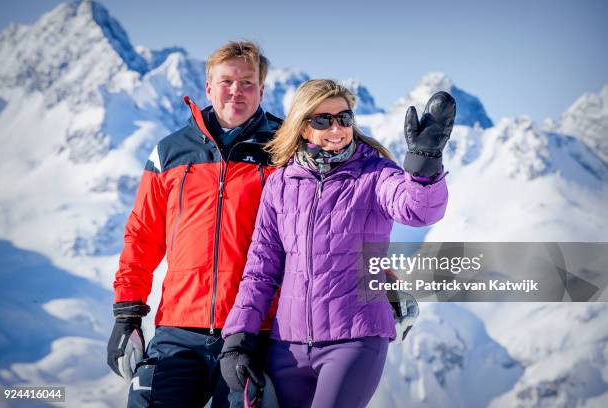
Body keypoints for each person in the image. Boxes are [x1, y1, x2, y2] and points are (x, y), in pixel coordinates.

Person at [219, 79, 454, 407]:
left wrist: (424, 167)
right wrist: (238, 338)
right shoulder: (281, 184)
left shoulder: (374, 174)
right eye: (322, 119)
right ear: (302, 127)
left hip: (356, 338)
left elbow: (418, 210)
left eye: (344, 118)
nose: (337, 128)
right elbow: (261, 269)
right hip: (287, 347)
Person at [106, 41, 281, 407]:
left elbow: (333, 225)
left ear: (262, 90)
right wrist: (128, 314)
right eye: (227, 81)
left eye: (248, 82)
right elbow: (142, 237)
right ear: (208, 88)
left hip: (255, 332)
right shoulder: (170, 153)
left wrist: (382, 285)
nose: (237, 91)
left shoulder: (284, 151)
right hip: (178, 332)